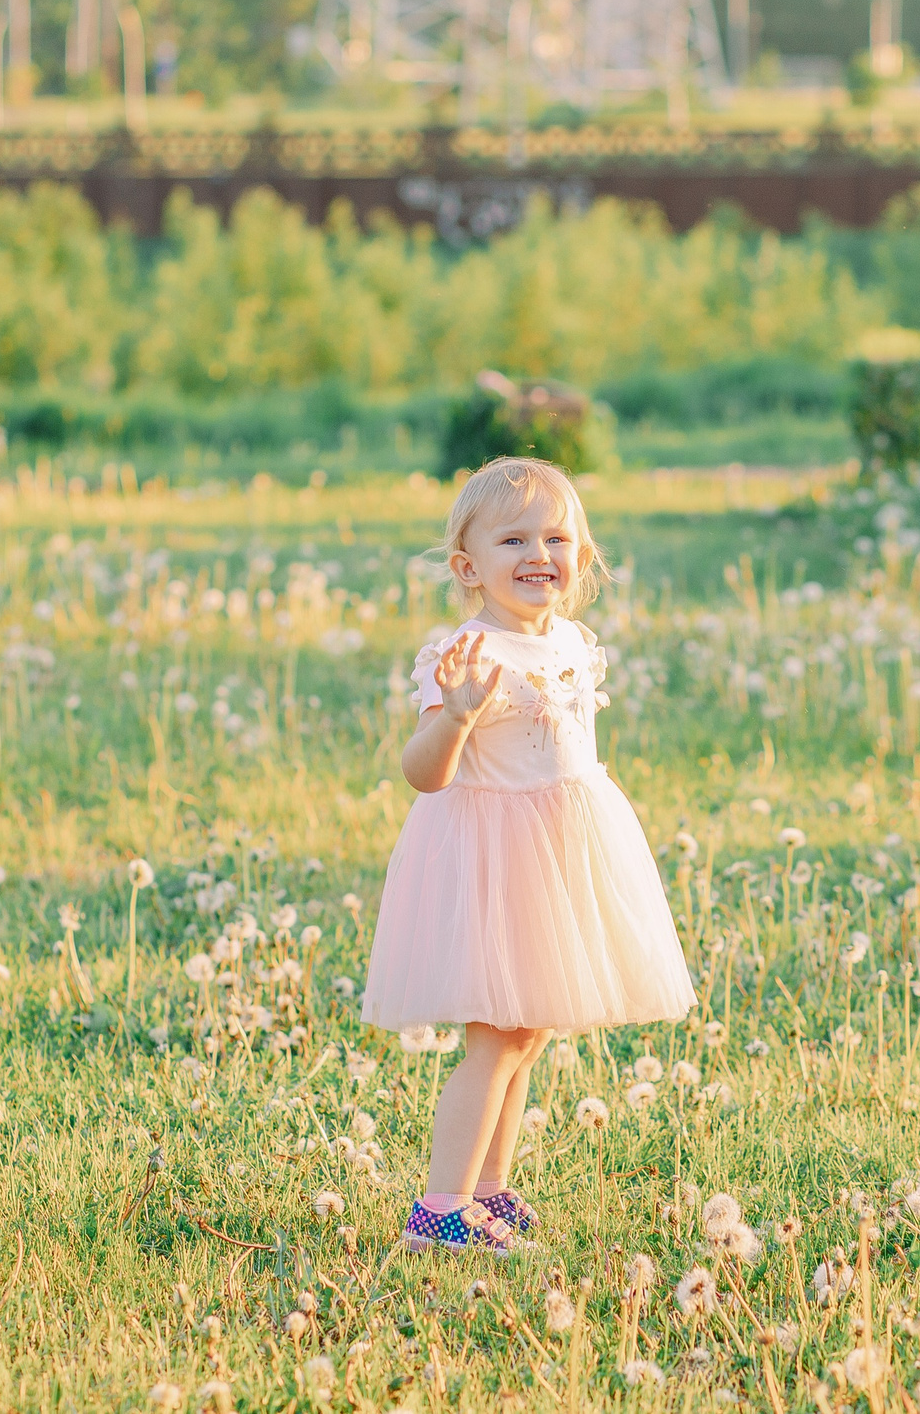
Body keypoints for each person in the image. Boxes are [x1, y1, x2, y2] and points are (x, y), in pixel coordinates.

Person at [362, 456, 696, 1254]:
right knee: (496, 1036)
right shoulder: (469, 654)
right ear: (468, 568)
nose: (538, 553)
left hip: (563, 850)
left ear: (583, 555)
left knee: (529, 1031)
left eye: (557, 537)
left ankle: (488, 1189)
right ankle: (440, 1208)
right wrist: (456, 717)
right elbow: (424, 773)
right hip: (497, 862)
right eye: (513, 539)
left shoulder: (571, 639)